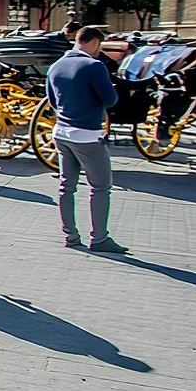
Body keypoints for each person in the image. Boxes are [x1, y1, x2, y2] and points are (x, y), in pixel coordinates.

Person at [46, 26, 127, 254]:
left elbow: (52, 100)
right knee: (100, 187)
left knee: (66, 186)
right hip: (87, 135)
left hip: (61, 132)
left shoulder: (56, 66)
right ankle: (99, 238)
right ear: (93, 43)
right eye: (99, 47)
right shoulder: (94, 66)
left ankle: (70, 236)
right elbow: (110, 100)